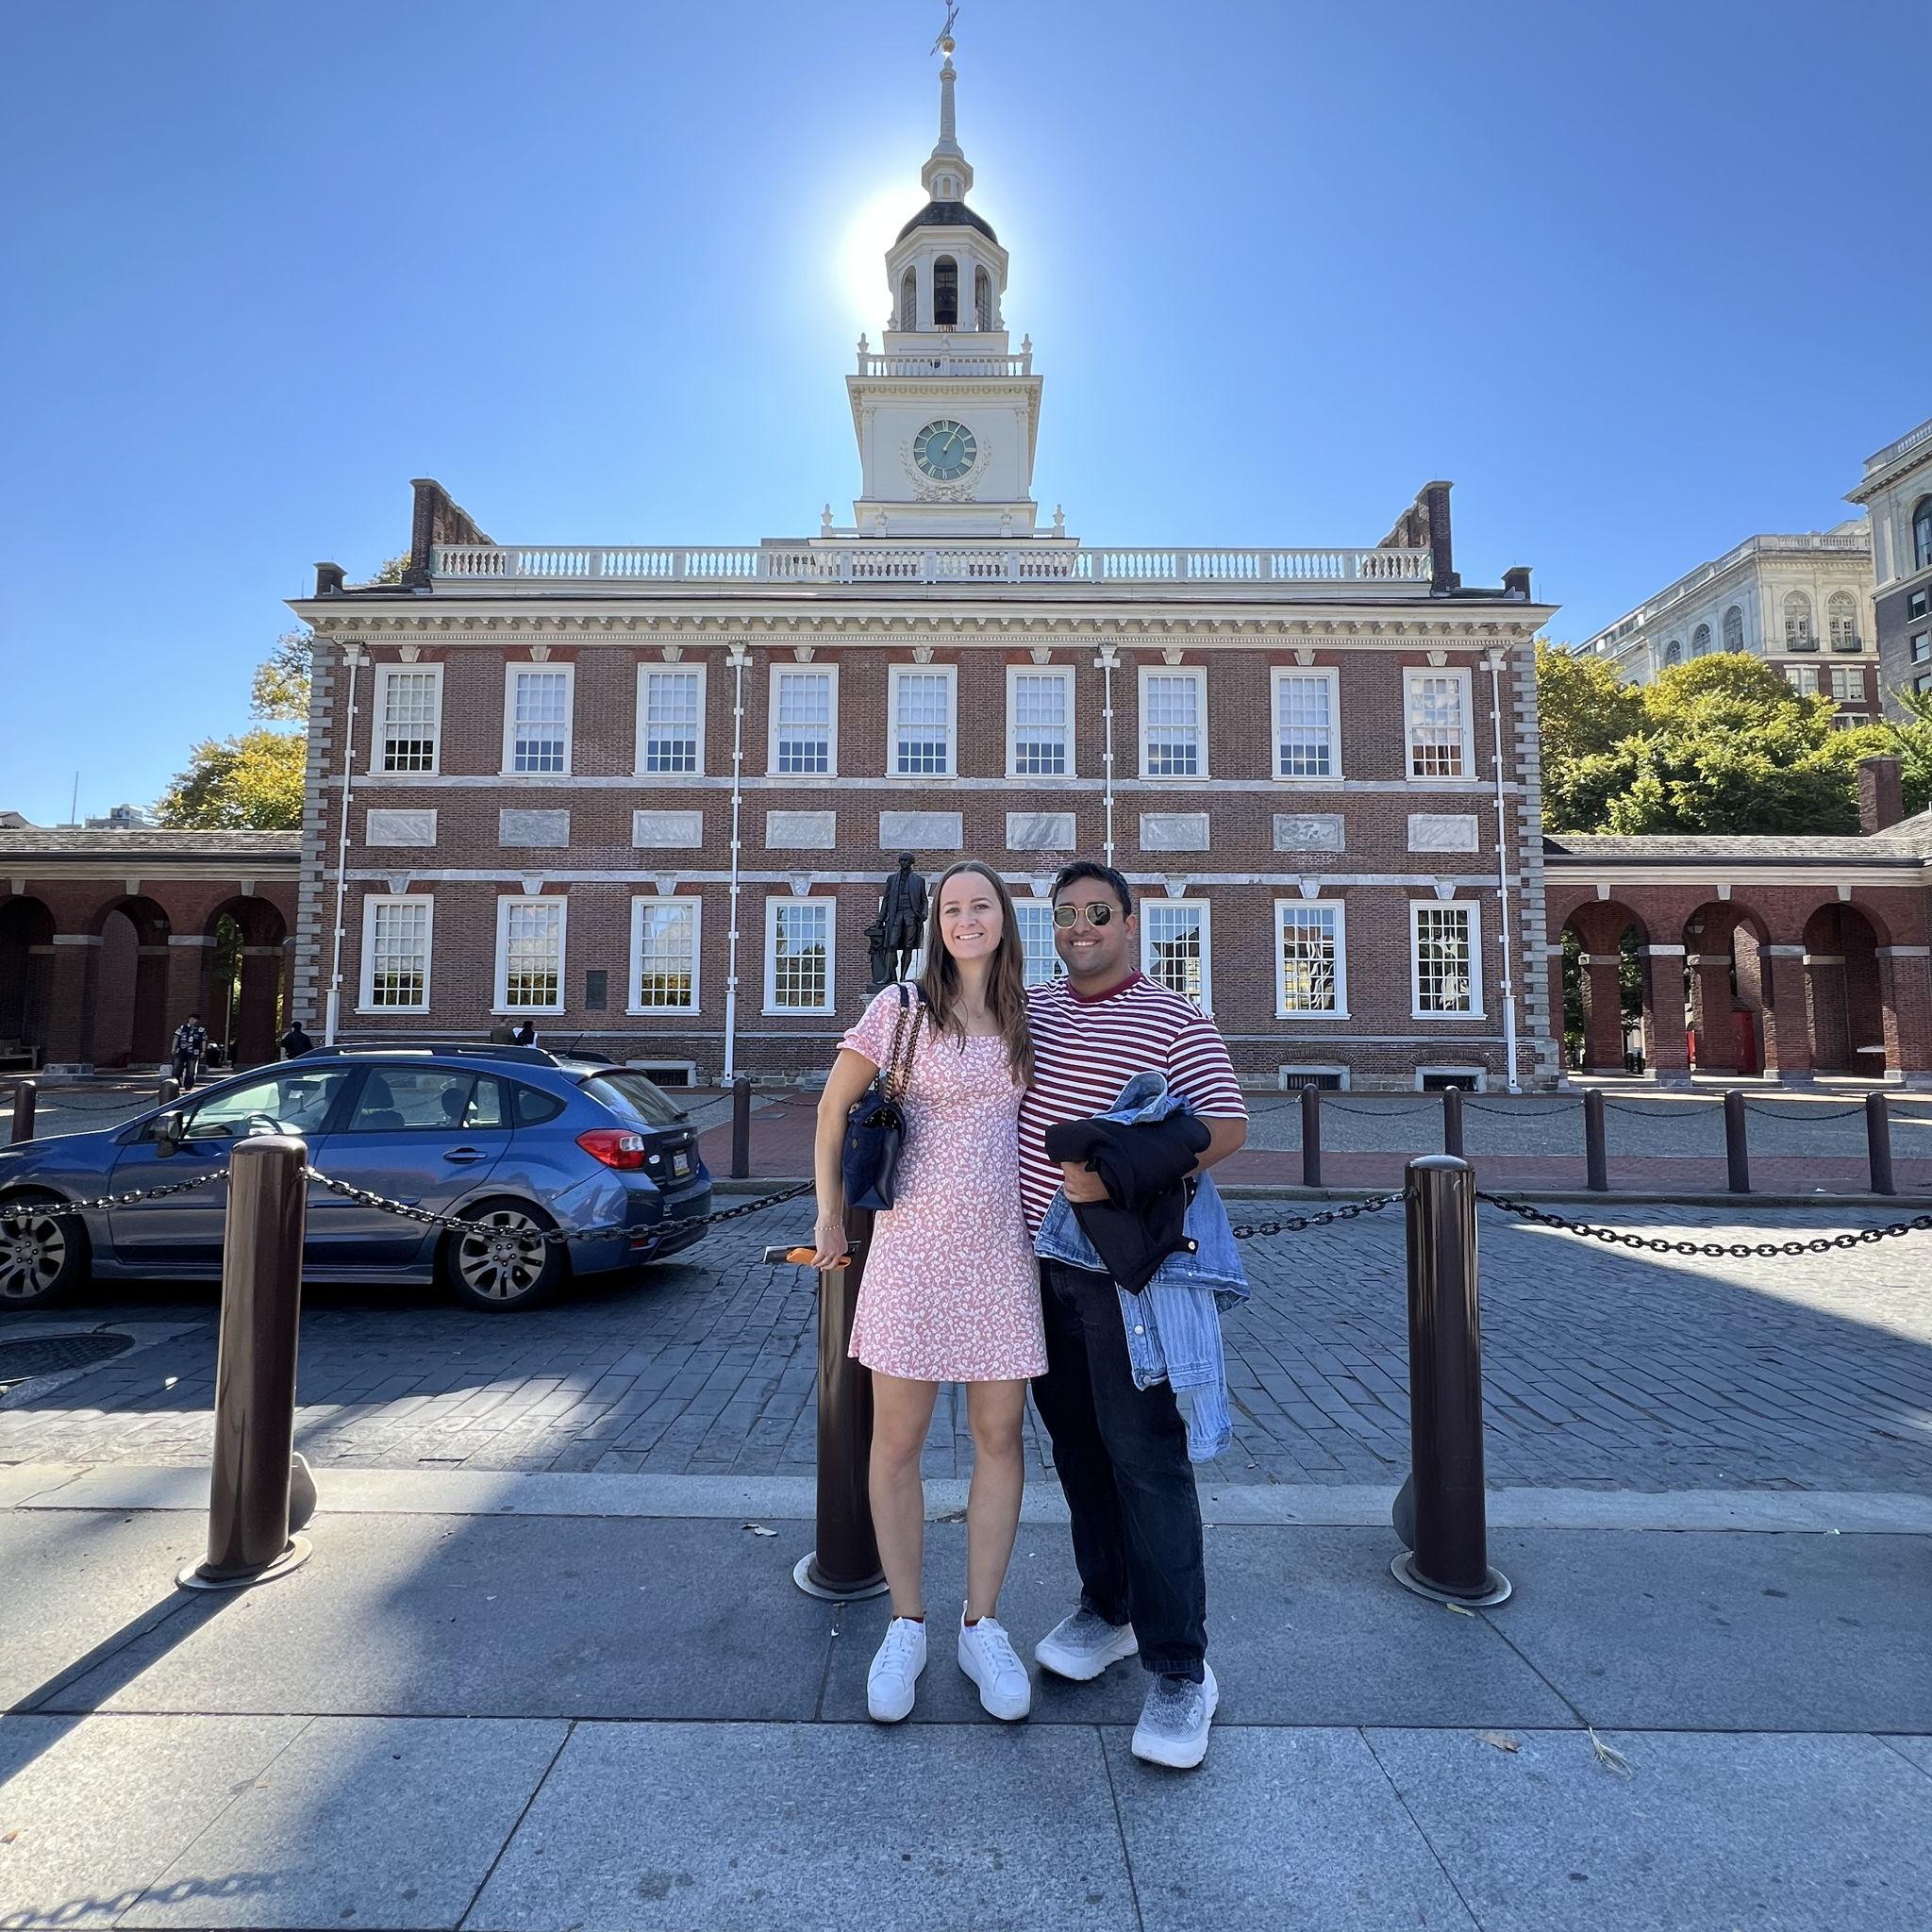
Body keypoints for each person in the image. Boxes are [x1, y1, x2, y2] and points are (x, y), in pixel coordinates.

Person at [1019, 859, 1249, 1770]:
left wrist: (1115, 1173)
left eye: (1098, 913)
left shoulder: (1173, 1017)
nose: (1081, 928)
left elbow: (1224, 1127)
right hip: (1034, 1269)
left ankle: (1182, 1666)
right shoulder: (1032, 1010)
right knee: (1077, 1451)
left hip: (1122, 1279)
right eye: (1066, 915)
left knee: (1146, 1460)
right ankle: (1107, 1607)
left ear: (1129, 922)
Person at [812, 859, 1042, 1726]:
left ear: (1003, 918)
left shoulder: (1030, 1015)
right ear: (936, 925)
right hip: (911, 1252)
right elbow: (832, 1110)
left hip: (1000, 1253)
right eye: (951, 909)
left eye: (980, 906)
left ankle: (982, 1625)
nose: (965, 920)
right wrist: (829, 1215)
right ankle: (906, 1624)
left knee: (1000, 1437)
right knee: (897, 1443)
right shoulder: (901, 1008)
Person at [170, 1013, 208, 1092]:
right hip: (180, 1051)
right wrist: (173, 1048)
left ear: (197, 1021)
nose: (192, 1020)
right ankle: (176, 1084)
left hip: (193, 1052)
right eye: (191, 1018)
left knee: (191, 1070)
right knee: (176, 1068)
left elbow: (204, 1041)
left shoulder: (201, 1030)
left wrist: (203, 1051)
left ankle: (188, 1086)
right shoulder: (182, 1028)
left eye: (194, 1019)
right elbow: (176, 1038)